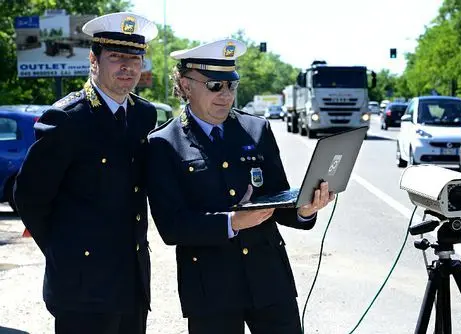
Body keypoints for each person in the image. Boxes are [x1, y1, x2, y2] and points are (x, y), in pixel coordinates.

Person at [145, 38, 335, 334]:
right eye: (214, 86)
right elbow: (171, 226)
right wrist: (233, 222)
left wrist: (305, 210)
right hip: (211, 289)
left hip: (269, 280)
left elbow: (278, 200)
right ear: (185, 85)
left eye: (231, 85)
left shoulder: (257, 129)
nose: (225, 95)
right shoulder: (163, 143)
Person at [13, 12, 158, 334]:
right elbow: (29, 197)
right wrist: (65, 250)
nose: (127, 67)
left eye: (135, 58)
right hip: (81, 285)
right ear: (94, 60)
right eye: (116, 57)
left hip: (131, 279)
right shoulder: (67, 118)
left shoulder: (143, 115)